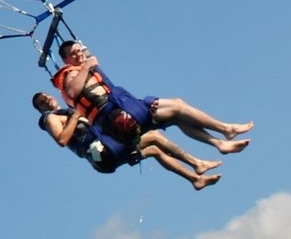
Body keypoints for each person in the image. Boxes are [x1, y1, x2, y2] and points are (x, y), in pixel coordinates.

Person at [51, 40, 252, 154]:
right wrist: (87, 65)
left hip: (124, 108)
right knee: (178, 107)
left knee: (176, 115)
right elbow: (72, 92)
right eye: (73, 54)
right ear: (65, 59)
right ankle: (227, 130)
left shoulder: (85, 66)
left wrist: (88, 62)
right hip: (116, 116)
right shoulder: (69, 73)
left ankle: (220, 143)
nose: (79, 55)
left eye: (80, 51)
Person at [32, 92, 222, 190]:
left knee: (154, 149)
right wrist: (75, 117)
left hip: (105, 158)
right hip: (104, 152)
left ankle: (195, 179)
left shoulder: (66, 111)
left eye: (46, 96)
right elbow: (62, 140)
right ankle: (197, 164)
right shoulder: (51, 118)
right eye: (42, 102)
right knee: (155, 137)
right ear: (40, 110)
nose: (47, 99)